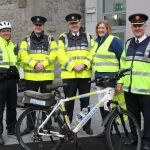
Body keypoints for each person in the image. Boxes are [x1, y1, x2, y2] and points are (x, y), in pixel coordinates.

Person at [19, 16, 57, 135]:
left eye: (40, 25)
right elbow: (23, 55)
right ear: (33, 26)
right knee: (31, 103)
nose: (38, 27)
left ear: (43, 27)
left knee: (48, 102)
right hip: (31, 78)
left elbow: (54, 54)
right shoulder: (26, 40)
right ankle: (30, 126)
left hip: (46, 77)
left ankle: (47, 125)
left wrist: (43, 64)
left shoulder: (50, 39)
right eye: (36, 25)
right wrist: (36, 64)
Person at [117, 13, 150, 150]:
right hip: (130, 88)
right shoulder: (128, 43)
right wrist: (120, 81)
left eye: (140, 26)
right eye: (135, 26)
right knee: (132, 115)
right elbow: (123, 64)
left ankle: (147, 141)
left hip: (146, 89)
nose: (137, 28)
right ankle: (135, 137)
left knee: (148, 118)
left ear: (145, 26)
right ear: (131, 28)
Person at [57, 13, 95, 135]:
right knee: (68, 104)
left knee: (85, 104)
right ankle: (67, 127)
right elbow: (61, 55)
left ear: (80, 23)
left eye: (76, 23)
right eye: (71, 23)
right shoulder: (63, 37)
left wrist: (83, 65)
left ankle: (85, 126)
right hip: (69, 76)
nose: (74, 25)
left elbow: (93, 53)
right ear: (68, 25)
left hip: (84, 76)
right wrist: (73, 66)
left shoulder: (88, 37)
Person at [92, 20, 123, 138]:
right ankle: (106, 129)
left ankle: (110, 130)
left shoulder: (114, 40)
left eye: (103, 28)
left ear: (108, 28)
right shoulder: (95, 42)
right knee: (101, 104)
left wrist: (120, 79)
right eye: (99, 28)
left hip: (110, 78)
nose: (100, 30)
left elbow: (122, 58)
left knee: (108, 104)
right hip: (99, 78)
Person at [0, 21, 20, 145]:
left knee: (12, 106)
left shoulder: (14, 45)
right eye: (3, 31)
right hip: (1, 81)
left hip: (12, 80)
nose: (6, 33)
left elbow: (17, 62)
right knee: (0, 108)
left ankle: (11, 128)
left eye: (8, 31)